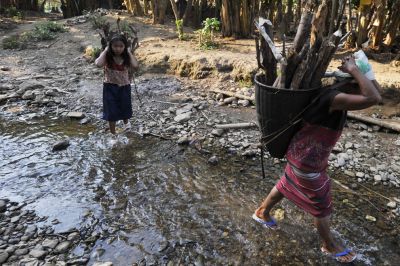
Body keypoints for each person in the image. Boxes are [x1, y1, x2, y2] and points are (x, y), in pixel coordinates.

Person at [252, 53, 382, 263]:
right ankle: (328, 245)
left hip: (300, 153)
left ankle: (262, 212)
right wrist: (356, 70)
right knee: (322, 204)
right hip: (307, 162)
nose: (364, 87)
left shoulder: (339, 93)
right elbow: (373, 97)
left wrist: (363, 70)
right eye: (360, 83)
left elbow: (377, 94)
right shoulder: (334, 98)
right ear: (351, 84)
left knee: (287, 183)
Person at [95, 34, 139, 135]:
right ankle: (113, 133)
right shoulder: (108, 56)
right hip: (109, 87)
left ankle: (126, 123)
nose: (118, 49)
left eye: (121, 46)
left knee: (125, 106)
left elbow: (135, 66)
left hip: (124, 87)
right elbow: (98, 64)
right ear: (111, 46)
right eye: (115, 46)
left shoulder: (126, 57)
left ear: (125, 47)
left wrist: (129, 52)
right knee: (111, 110)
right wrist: (105, 51)